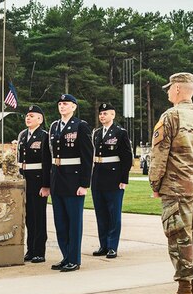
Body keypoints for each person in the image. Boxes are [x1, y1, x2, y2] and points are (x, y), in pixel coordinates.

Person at [149, 72, 193, 294]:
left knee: (179, 238)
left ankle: (184, 293)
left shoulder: (171, 116)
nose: (167, 92)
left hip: (177, 188)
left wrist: (155, 184)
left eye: (169, 88)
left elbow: (159, 156)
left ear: (177, 89)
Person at [48, 94, 94, 273]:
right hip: (57, 180)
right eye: (60, 104)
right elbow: (50, 155)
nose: (62, 106)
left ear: (74, 107)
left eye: (66, 104)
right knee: (60, 222)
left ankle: (74, 259)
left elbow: (87, 156)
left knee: (74, 222)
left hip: (74, 181)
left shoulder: (80, 126)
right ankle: (65, 256)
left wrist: (84, 184)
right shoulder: (54, 126)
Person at [91, 102, 133, 259]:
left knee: (113, 214)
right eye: (101, 114)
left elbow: (127, 157)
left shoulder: (120, 132)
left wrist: (124, 179)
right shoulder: (96, 133)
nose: (102, 116)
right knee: (101, 213)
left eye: (105, 113)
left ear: (113, 115)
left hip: (114, 177)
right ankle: (103, 245)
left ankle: (112, 246)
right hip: (98, 177)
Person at [17, 105, 51, 263]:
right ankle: (30, 249)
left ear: (40, 119)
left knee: (39, 217)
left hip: (38, 181)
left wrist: (46, 185)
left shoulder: (44, 136)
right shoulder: (23, 135)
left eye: (32, 116)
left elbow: (46, 163)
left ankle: (39, 251)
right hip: (24, 180)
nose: (28, 118)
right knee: (29, 217)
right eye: (27, 116)